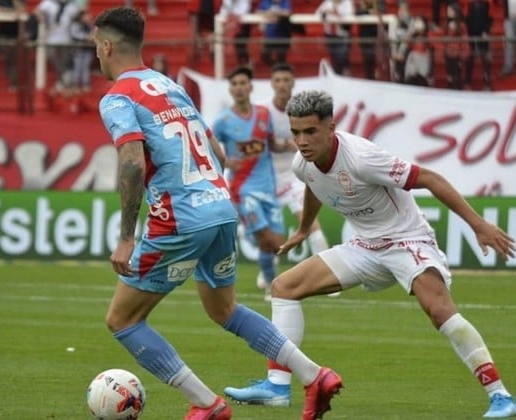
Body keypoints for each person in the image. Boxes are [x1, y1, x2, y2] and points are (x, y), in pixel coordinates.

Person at [93, 8, 342, 420]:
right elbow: (219, 154)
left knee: (123, 320)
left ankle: (207, 404)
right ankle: (314, 375)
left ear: (105, 46)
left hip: (179, 217)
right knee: (224, 309)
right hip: (220, 207)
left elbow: (132, 161)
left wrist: (125, 237)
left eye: (95, 48)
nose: (96, 56)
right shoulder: (171, 87)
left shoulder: (118, 97)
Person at [224, 90, 516, 419]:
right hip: (364, 246)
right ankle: (277, 386)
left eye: (310, 131)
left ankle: (500, 395)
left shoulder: (362, 158)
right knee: (284, 288)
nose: (302, 141)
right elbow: (314, 184)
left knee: (439, 310)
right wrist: (305, 228)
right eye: (296, 132)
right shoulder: (302, 164)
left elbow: (430, 178)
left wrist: (478, 225)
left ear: (331, 128)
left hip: (406, 240)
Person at [255, 62, 336, 300]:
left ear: (292, 83)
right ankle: (267, 270)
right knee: (267, 232)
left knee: (309, 223)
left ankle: (328, 276)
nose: (282, 85)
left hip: (293, 175)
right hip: (266, 178)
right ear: (272, 84)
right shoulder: (262, 111)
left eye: (286, 80)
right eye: (277, 80)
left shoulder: (301, 111)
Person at [212, 66, 287, 302]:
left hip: (268, 186)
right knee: (266, 238)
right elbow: (208, 149)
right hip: (242, 188)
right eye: (234, 84)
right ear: (230, 89)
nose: (239, 88)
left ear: (250, 87)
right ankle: (272, 288)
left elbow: (272, 145)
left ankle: (251, 237)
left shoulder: (264, 114)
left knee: (276, 244)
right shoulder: (223, 121)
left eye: (243, 83)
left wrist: (291, 145)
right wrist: (225, 162)